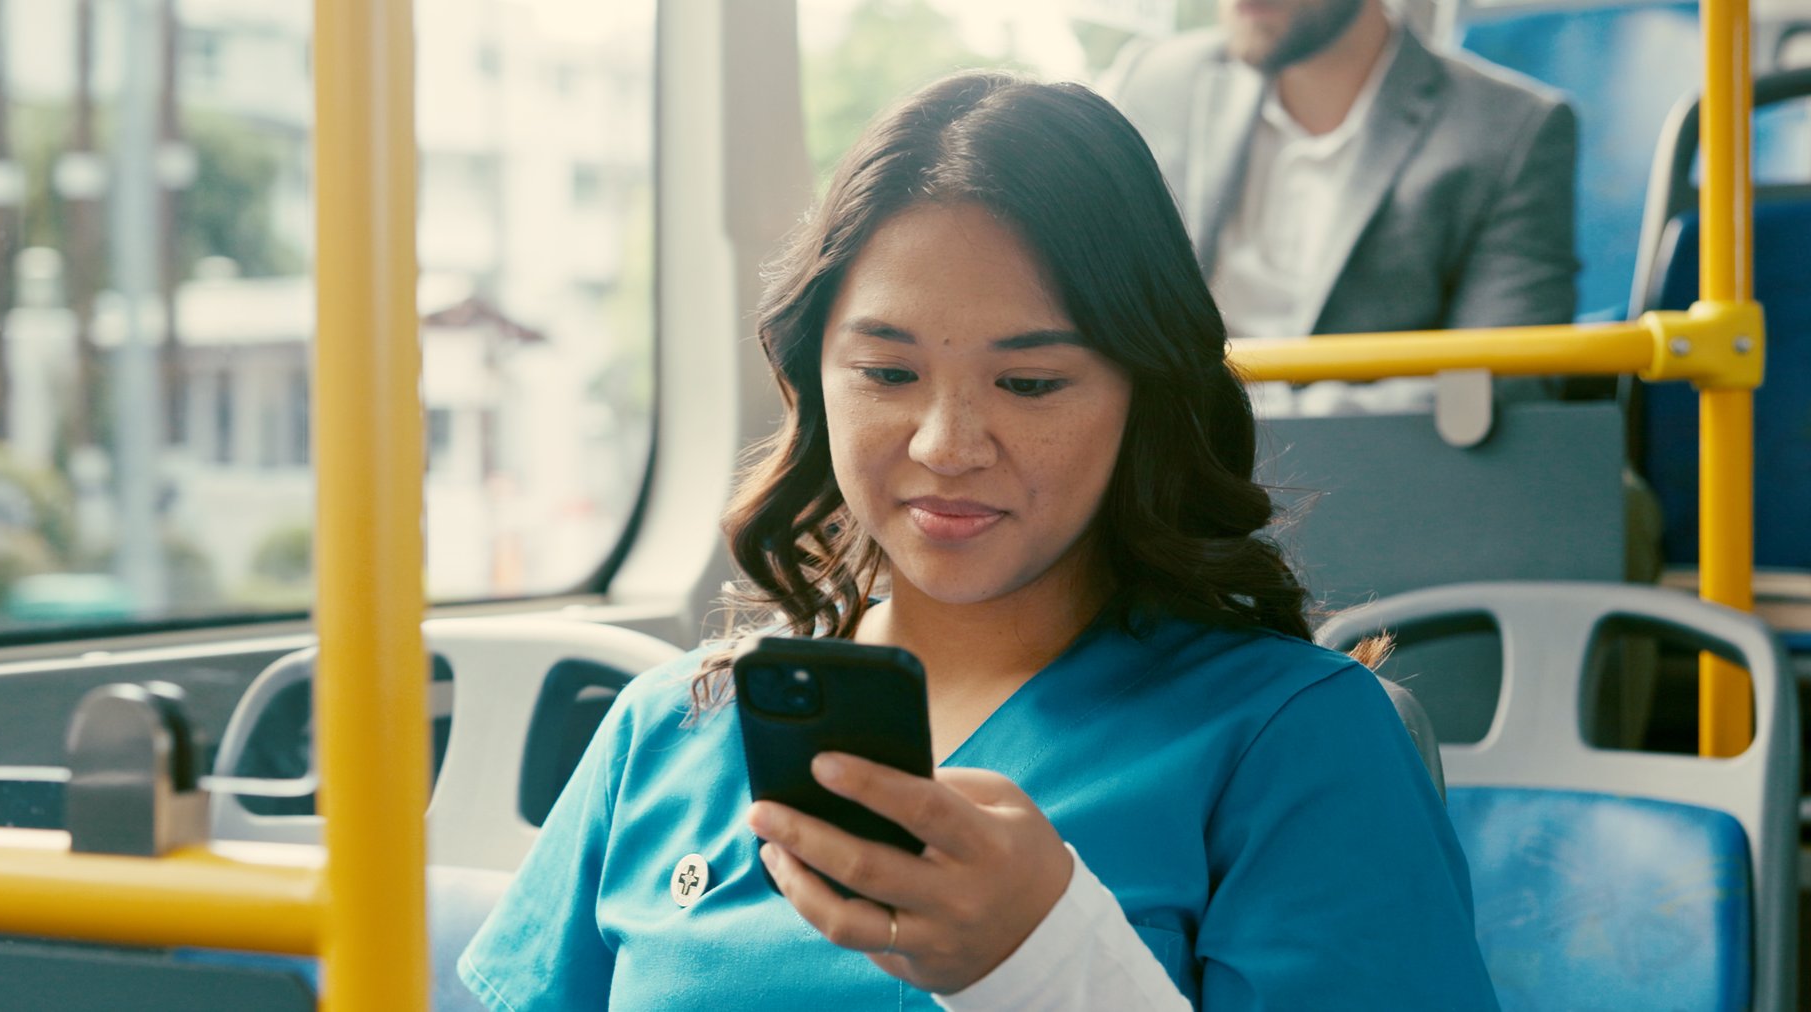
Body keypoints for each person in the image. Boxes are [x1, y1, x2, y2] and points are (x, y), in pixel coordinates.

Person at [459, 71, 1496, 1009]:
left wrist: (1044, 961)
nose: (946, 445)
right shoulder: (668, 729)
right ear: (813, 378)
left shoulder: (1294, 740)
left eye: (1030, 382)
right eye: (887, 373)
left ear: (1145, 393)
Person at [1103, 0, 1577, 413]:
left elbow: (1499, 387)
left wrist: (1236, 422)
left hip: (1369, 468)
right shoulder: (1155, 80)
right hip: (1162, 465)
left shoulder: (1511, 131)